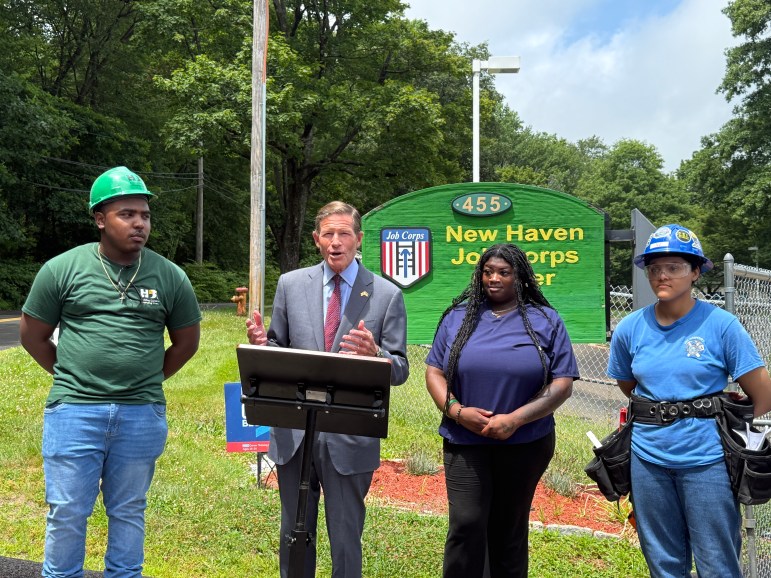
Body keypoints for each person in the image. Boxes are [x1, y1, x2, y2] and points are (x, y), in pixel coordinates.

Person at [19, 166, 202, 578]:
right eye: (127, 214)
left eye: (145, 215)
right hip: (74, 413)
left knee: (129, 510)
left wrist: (146, 379)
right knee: (67, 511)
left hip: (141, 414)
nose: (139, 223)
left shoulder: (169, 276)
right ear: (100, 218)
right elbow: (33, 336)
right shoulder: (62, 269)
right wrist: (70, 376)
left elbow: (187, 343)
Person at [246, 200, 409, 578]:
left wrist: (377, 354)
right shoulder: (290, 285)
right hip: (294, 435)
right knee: (294, 532)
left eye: (345, 234)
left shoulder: (385, 295)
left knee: (346, 536)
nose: (336, 242)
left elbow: (399, 369)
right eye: (329, 234)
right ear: (317, 239)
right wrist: (260, 345)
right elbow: (277, 351)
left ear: (359, 240)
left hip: (349, 438)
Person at [607, 224, 771, 578]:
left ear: (696, 272)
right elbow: (628, 385)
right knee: (663, 562)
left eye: (675, 267)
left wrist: (719, 426)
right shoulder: (630, 329)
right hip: (647, 459)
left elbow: (764, 394)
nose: (662, 275)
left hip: (707, 461)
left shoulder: (722, 326)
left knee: (716, 561)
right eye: (654, 268)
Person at [425, 243, 578, 578]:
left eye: (503, 272)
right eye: (488, 272)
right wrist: (455, 410)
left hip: (525, 443)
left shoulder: (545, 320)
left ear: (520, 277)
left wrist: (516, 419)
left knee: (508, 528)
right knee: (466, 524)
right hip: (465, 441)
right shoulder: (457, 317)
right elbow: (434, 371)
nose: (493, 279)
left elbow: (563, 382)